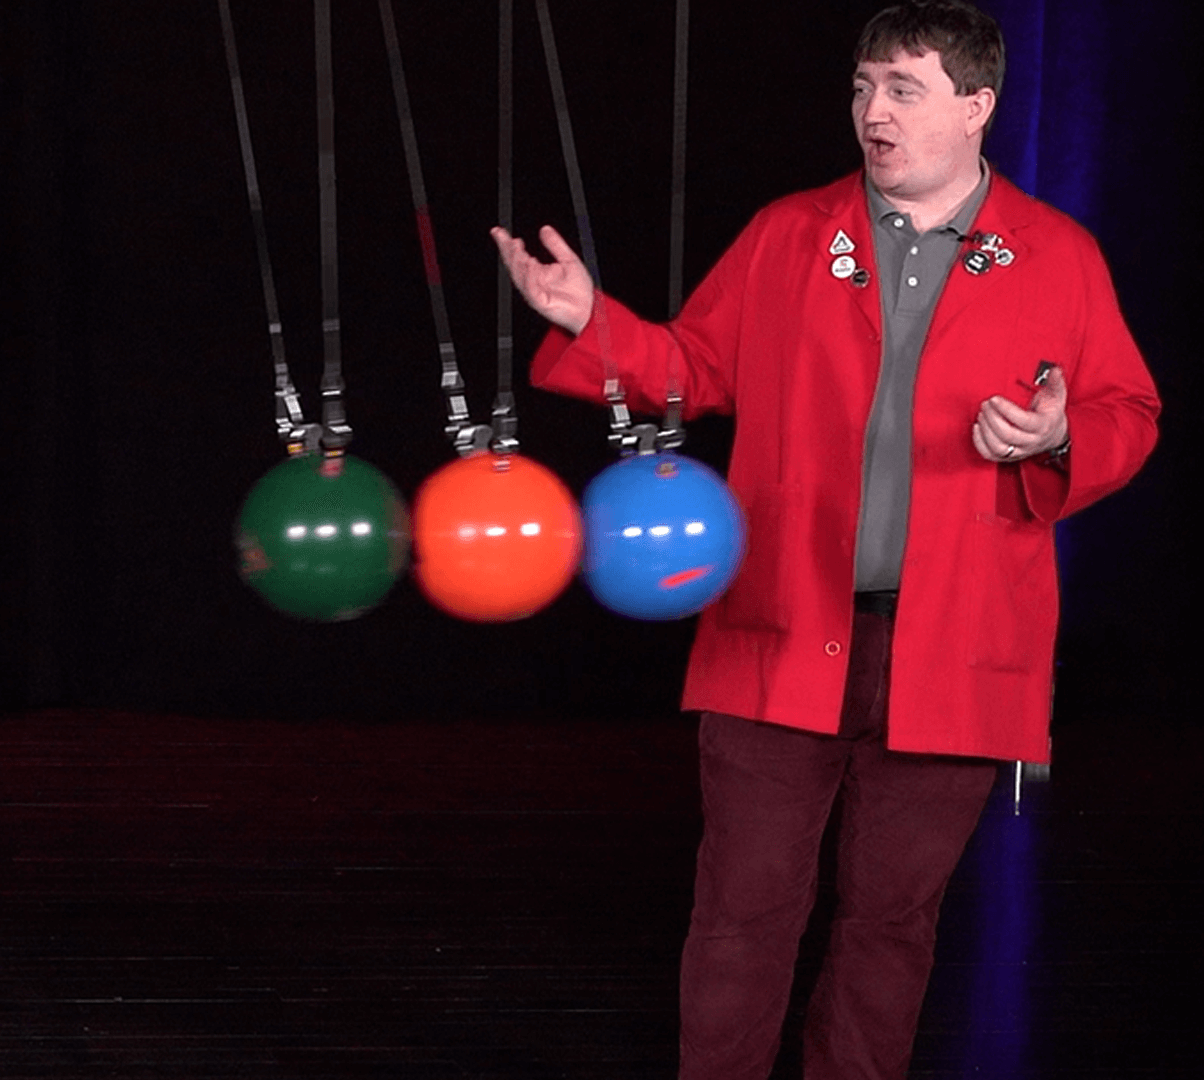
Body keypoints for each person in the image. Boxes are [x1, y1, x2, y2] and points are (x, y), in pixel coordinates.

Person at [491, 2, 1160, 1078]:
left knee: (891, 928)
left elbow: (1132, 412)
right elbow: (691, 367)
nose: (872, 112)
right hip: (780, 629)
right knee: (741, 913)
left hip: (955, 651)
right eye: (861, 87)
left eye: (902, 88)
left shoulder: (1058, 255)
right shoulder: (791, 234)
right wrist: (588, 320)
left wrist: (1061, 429)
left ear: (978, 106)